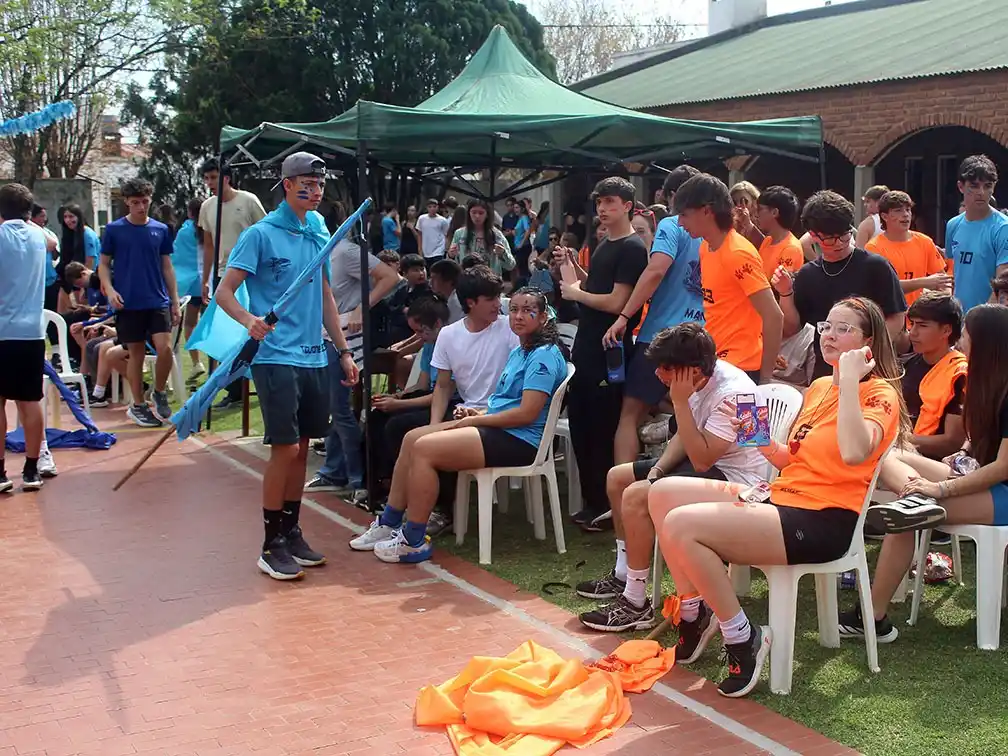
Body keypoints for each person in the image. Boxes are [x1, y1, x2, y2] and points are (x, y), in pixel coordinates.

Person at [648, 296, 905, 697]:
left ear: (868, 341)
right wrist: (758, 435)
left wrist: (851, 381)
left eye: (843, 329)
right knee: (662, 494)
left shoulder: (879, 394)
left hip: (824, 517)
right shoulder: (819, 387)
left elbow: (855, 452)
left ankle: (742, 636)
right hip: (783, 496)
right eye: (826, 326)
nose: (829, 335)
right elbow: (790, 459)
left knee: (682, 525)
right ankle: (694, 612)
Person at [215, 151, 359, 581]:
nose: (314, 191)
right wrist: (249, 321)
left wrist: (343, 350)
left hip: (313, 355)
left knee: (303, 447)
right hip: (275, 355)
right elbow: (224, 292)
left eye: (320, 185)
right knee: (285, 448)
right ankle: (270, 543)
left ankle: (292, 530)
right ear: (287, 184)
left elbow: (326, 295)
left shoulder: (319, 228)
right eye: (306, 184)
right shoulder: (260, 235)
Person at [349, 287, 567, 563]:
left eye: (527, 310)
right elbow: (506, 403)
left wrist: (477, 419)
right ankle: (389, 522)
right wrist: (477, 411)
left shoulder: (543, 355)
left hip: (521, 440)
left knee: (425, 449)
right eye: (514, 310)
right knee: (411, 438)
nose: (518, 316)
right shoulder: (521, 350)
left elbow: (526, 414)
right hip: (498, 428)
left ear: (544, 317)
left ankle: (413, 540)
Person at [577, 323, 766, 632]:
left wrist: (678, 402)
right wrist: (658, 471)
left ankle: (635, 601)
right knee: (617, 478)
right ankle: (624, 573)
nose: (657, 374)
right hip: (706, 460)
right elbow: (686, 435)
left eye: (665, 368)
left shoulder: (736, 393)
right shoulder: (696, 377)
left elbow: (702, 460)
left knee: (637, 495)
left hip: (739, 479)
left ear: (692, 370)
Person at [843, 304, 1008, 642]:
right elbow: (976, 442)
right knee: (887, 454)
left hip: (1001, 490)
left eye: (966, 335)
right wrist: (963, 455)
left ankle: (872, 616)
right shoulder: (983, 380)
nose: (961, 342)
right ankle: (914, 496)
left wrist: (941, 489)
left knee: (907, 515)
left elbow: (1003, 466)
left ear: (986, 343)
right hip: (976, 475)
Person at [558, 177, 649, 527]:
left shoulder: (632, 247)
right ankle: (592, 501)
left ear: (627, 206)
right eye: (600, 203)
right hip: (587, 344)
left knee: (601, 426)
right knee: (582, 423)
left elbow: (617, 303)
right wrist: (575, 272)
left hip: (610, 350)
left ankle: (606, 505)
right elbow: (597, 287)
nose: (603, 209)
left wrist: (576, 293)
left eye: (610, 202)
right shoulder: (604, 244)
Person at [603, 165, 703, 468]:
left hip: (661, 335)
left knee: (630, 415)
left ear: (672, 196)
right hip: (705, 339)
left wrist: (624, 315)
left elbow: (657, 269)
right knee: (697, 417)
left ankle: (621, 489)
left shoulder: (672, 225)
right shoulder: (722, 234)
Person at [304, 202, 399, 496]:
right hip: (319, 336)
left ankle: (358, 477)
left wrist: (361, 307)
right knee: (332, 406)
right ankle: (335, 470)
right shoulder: (316, 253)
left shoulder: (345, 251)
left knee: (339, 407)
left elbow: (390, 277)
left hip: (344, 336)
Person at [773, 190, 907, 379]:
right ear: (814, 236)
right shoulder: (808, 274)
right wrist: (785, 293)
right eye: (830, 238)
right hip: (826, 373)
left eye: (845, 235)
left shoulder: (875, 266)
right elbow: (793, 328)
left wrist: (868, 351)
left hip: (872, 370)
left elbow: (897, 317)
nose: (840, 243)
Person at [673, 173, 784, 384]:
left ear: (707, 211)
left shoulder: (738, 253)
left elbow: (774, 316)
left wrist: (765, 378)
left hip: (741, 370)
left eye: (684, 214)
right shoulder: (705, 246)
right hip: (716, 363)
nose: (679, 222)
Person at [98, 177, 180, 427]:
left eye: (145, 201)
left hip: (157, 299)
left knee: (165, 348)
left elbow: (167, 266)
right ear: (126, 202)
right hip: (128, 302)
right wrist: (110, 290)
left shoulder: (160, 230)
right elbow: (103, 264)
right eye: (135, 202)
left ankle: (159, 391)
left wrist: (175, 300)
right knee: (136, 354)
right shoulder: (114, 230)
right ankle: (138, 405)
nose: (141, 207)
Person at [198, 157, 267, 410]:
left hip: (250, 274)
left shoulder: (248, 201)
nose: (210, 183)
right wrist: (206, 279)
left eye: (214, 177)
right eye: (206, 178)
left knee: (251, 329)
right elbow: (208, 245)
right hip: (223, 274)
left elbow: (265, 232)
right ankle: (233, 388)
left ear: (226, 178)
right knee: (224, 333)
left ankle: (259, 379)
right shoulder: (207, 207)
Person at [0, 183, 48, 493]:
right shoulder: (39, 236)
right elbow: (53, 241)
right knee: (30, 401)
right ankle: (32, 469)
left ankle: (0, 472)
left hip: (2, 331)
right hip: (32, 332)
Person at [900, 293, 967, 460]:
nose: (912, 333)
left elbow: (953, 442)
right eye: (912, 324)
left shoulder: (959, 373)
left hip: (935, 464)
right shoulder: (902, 365)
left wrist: (897, 441)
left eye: (922, 326)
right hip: (898, 453)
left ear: (946, 330)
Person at [944, 155, 1008, 311]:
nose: (981, 192)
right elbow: (953, 274)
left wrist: (981, 319)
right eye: (974, 186)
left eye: (987, 186)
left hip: (990, 318)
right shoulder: (953, 225)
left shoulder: (1003, 227)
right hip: (958, 317)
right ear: (961, 186)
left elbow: (1003, 285)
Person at [866, 191, 951, 306]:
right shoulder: (874, 247)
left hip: (919, 314)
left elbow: (943, 281)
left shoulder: (925, 241)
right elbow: (883, 287)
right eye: (898, 210)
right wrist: (923, 282)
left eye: (908, 210)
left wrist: (944, 300)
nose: (905, 214)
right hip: (888, 314)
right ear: (884, 216)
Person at [173, 197, 206, 380]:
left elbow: (176, 257)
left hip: (191, 284)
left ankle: (196, 362)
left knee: (189, 324)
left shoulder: (185, 232)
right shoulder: (211, 228)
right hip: (210, 283)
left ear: (190, 213)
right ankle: (217, 364)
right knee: (212, 324)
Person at [448, 199, 514, 277]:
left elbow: (511, 265)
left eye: (481, 213)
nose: (477, 216)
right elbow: (451, 264)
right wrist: (451, 255)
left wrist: (503, 254)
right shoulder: (459, 234)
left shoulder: (497, 235)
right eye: (474, 212)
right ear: (469, 213)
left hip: (490, 280)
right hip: (466, 279)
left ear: (487, 214)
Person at [755, 186, 804, 278]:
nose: (756, 214)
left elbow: (780, 284)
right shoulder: (767, 240)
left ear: (774, 212)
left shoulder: (791, 248)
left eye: (759, 209)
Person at [729, 180, 764, 249]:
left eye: (744, 201)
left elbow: (765, 246)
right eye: (734, 202)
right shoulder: (728, 223)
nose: (738, 206)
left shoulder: (762, 222)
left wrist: (749, 225)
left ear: (754, 202)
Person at [417, 198, 450, 269]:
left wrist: (445, 249)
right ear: (427, 208)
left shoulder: (443, 220)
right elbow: (419, 234)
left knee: (437, 269)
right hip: (426, 249)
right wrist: (420, 249)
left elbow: (446, 235)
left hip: (438, 250)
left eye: (434, 207)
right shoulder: (421, 218)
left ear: (437, 207)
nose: (432, 209)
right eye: (430, 207)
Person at [429, 258, 464, 323]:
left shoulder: (457, 303)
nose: (430, 282)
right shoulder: (448, 298)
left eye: (434, 278)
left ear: (449, 281)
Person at [854, 185, 889, 249]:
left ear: (878, 202)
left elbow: (859, 251)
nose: (865, 205)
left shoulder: (867, 224)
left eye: (868, 201)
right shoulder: (897, 220)